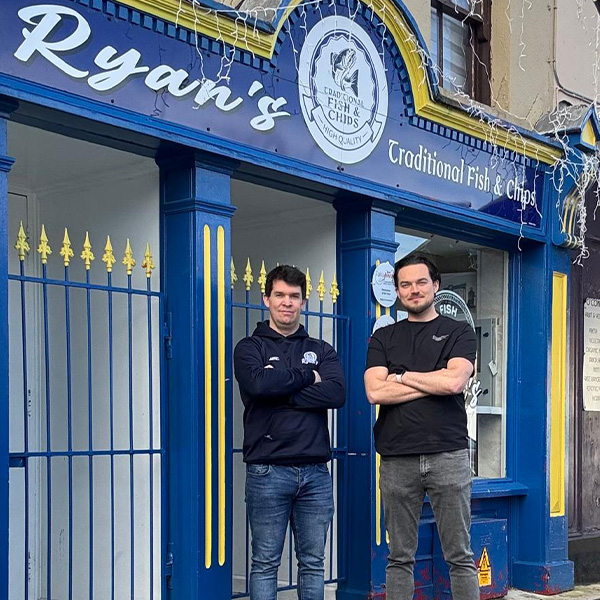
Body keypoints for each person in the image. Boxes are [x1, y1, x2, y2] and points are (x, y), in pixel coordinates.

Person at [364, 254, 479, 600]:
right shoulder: (383, 337)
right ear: (398, 291)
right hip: (397, 457)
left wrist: (400, 376)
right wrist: (434, 379)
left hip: (448, 455)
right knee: (399, 557)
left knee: (460, 556)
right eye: (405, 285)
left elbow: (454, 383)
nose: (413, 290)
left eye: (421, 282)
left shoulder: (459, 332)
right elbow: (374, 392)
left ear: (435, 285)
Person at [234, 264, 346, 600]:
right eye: (280, 295)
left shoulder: (321, 349)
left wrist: (279, 388)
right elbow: (258, 385)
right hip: (267, 470)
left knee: (313, 563)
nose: (287, 302)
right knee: (265, 563)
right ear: (266, 298)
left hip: (315, 473)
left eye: (294, 296)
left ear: (303, 301)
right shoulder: (249, 347)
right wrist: (308, 377)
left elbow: (336, 394)